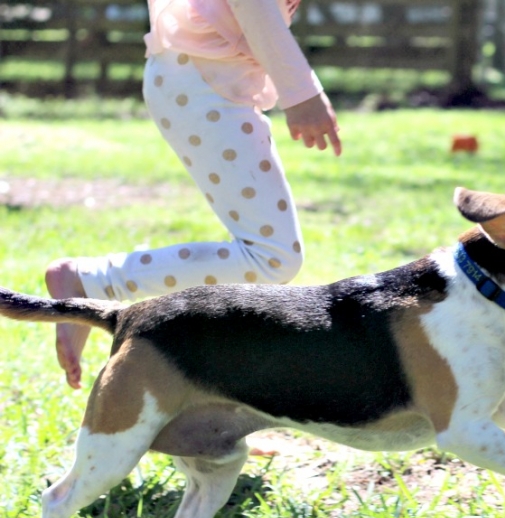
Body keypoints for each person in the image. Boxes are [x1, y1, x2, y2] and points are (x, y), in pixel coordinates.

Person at [46, 0, 342, 389]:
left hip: (200, 77)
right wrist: (301, 92)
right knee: (273, 256)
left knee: (272, 257)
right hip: (202, 81)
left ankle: (216, 411)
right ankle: (92, 282)